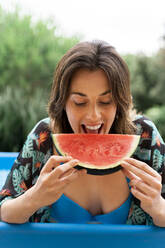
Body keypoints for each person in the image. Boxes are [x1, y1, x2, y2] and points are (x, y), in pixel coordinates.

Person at [0, 40, 165, 226]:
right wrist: (34, 198)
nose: (93, 116)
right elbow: (4, 210)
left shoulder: (145, 137)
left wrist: (159, 207)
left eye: (106, 101)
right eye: (79, 102)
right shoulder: (44, 138)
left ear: (120, 102)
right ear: (62, 102)